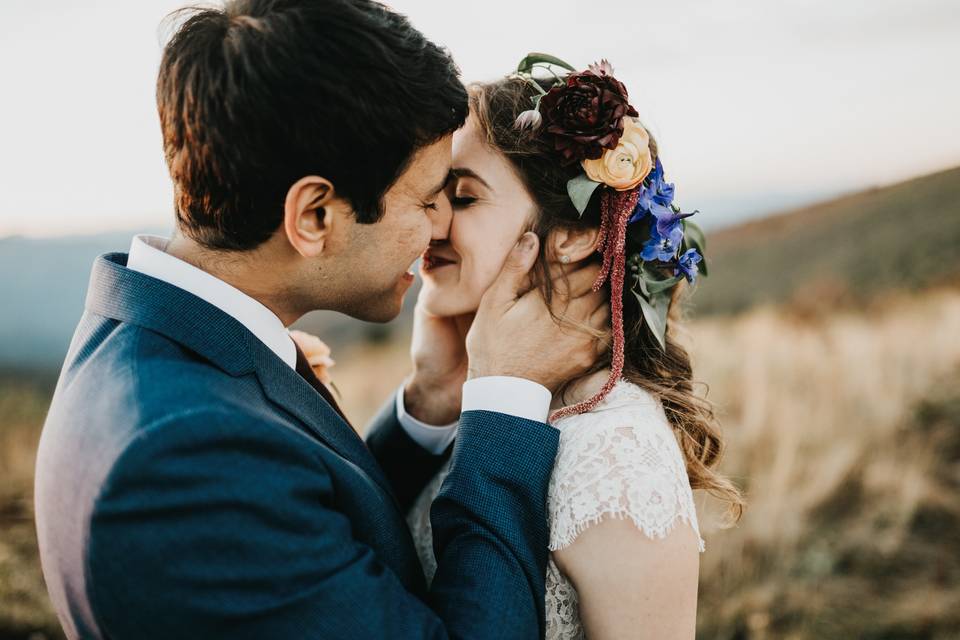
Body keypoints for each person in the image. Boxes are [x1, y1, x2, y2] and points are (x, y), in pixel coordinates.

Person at [32, 4, 606, 638]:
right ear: (313, 216)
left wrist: (431, 398)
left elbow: (313, 537)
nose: (440, 225)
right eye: (425, 198)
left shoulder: (166, 338)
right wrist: (504, 400)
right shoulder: (182, 462)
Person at [397, 56, 745, 639]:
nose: (431, 225)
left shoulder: (613, 455)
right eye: (432, 196)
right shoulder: (482, 391)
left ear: (575, 235)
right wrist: (433, 391)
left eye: (462, 198)